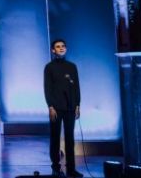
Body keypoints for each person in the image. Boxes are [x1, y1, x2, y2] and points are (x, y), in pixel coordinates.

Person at [44, 39, 82, 178]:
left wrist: (78, 104)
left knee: (70, 139)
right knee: (55, 138)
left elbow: (76, 86)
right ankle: (55, 167)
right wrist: (50, 106)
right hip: (56, 108)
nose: (61, 48)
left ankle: (71, 169)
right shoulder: (49, 67)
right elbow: (47, 88)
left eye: (63, 46)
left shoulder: (72, 66)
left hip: (70, 107)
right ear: (53, 50)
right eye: (58, 47)